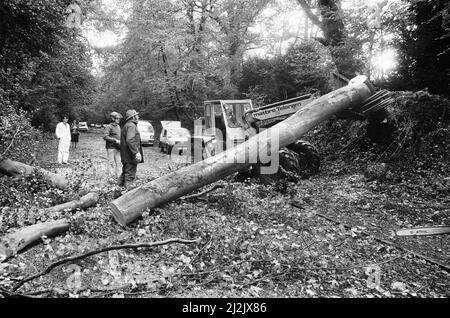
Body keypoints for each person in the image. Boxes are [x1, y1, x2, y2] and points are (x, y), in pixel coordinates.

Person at [118, 109, 143, 188]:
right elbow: (130, 140)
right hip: (130, 157)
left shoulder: (127, 125)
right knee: (129, 177)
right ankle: (127, 196)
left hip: (126, 156)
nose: (138, 117)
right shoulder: (131, 126)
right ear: (133, 117)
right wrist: (136, 152)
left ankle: (115, 193)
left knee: (124, 175)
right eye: (136, 115)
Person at [104, 111, 122, 178]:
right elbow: (105, 136)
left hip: (118, 148)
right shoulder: (109, 127)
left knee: (119, 163)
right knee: (111, 163)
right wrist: (115, 140)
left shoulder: (118, 126)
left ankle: (119, 177)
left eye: (119, 118)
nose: (118, 120)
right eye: (117, 118)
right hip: (111, 148)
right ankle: (110, 178)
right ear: (113, 119)